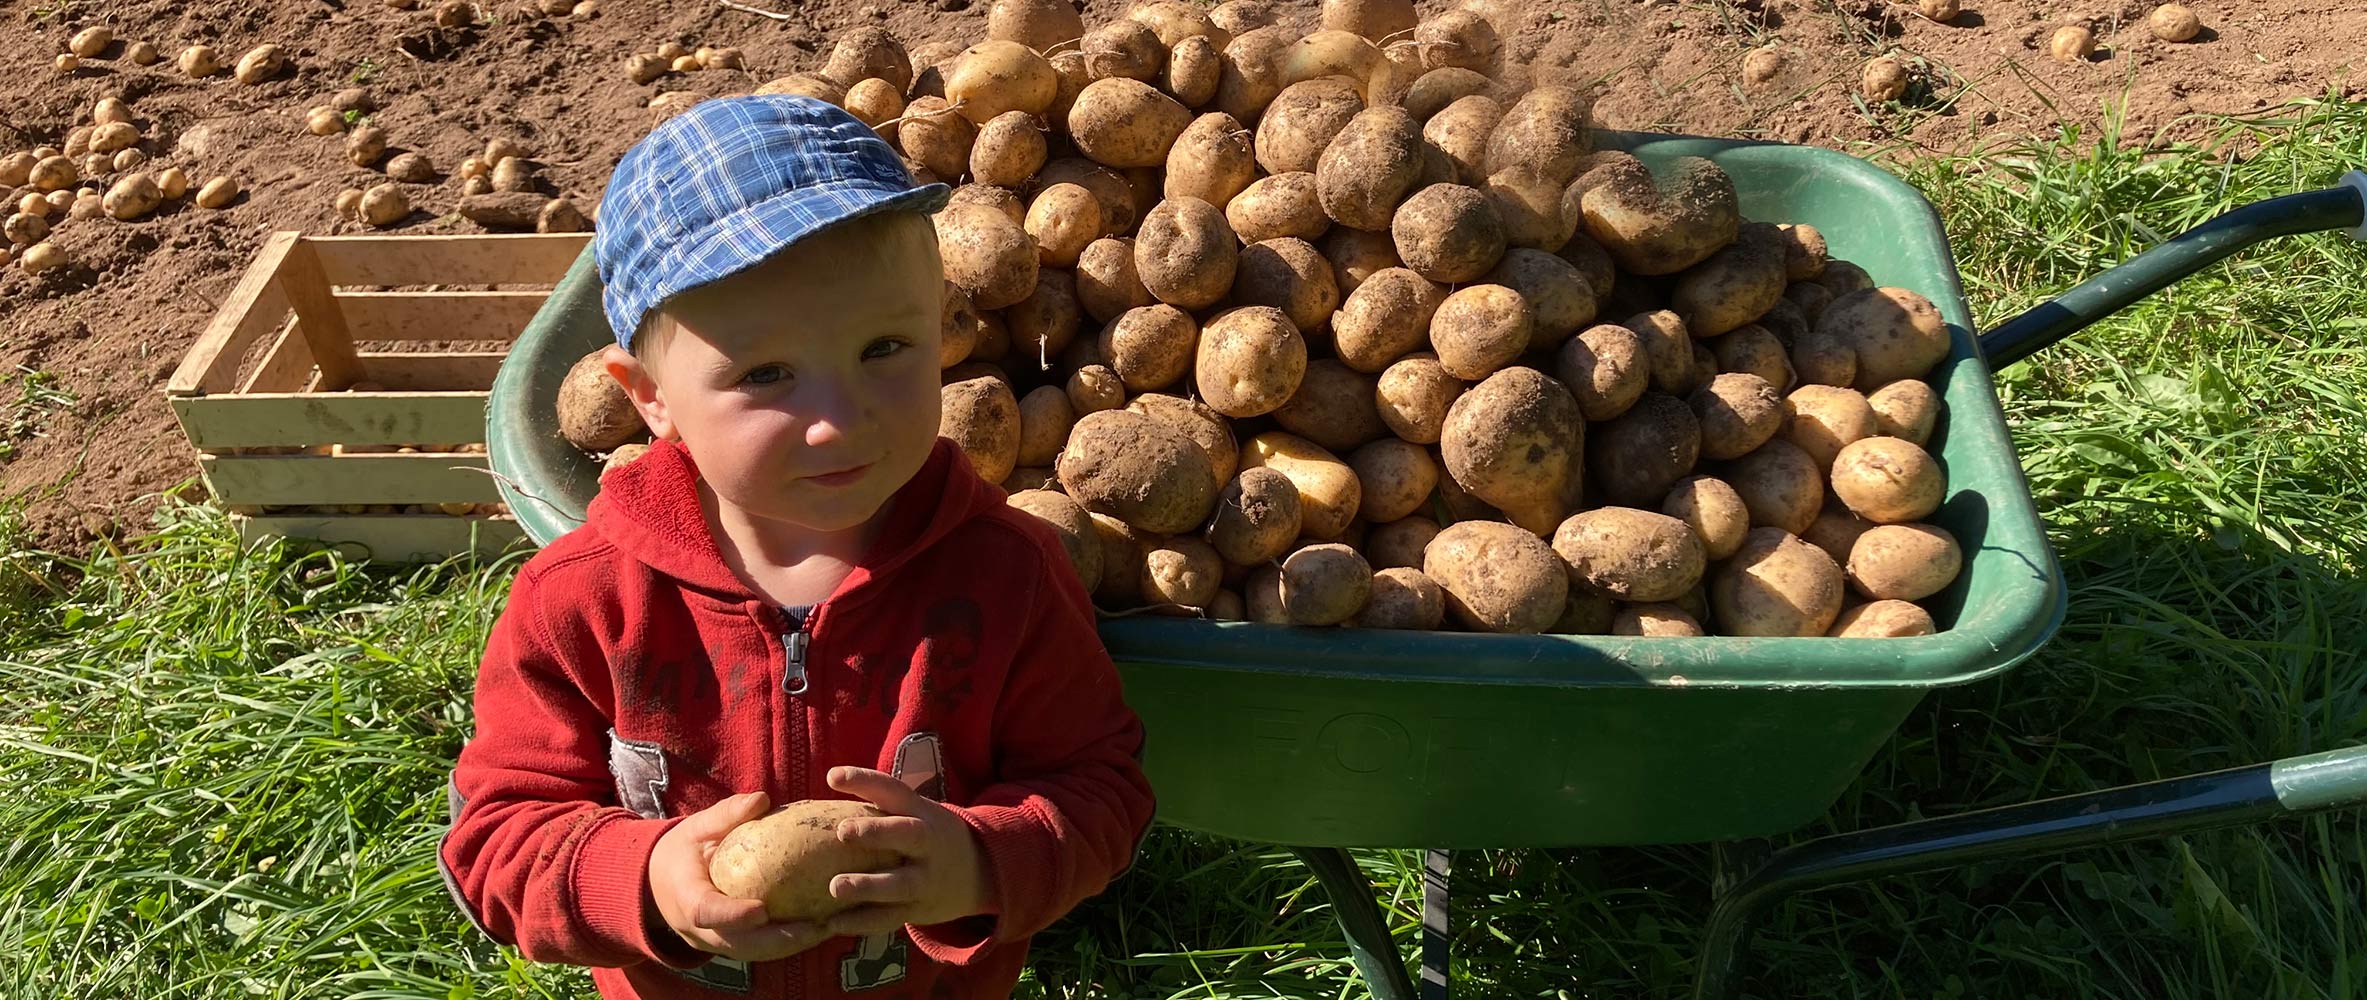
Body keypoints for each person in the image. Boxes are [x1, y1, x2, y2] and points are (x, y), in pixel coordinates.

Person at [436, 94, 1156, 999]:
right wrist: (647, 883)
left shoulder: (1008, 576)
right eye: (766, 374)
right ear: (648, 396)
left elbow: (1099, 791)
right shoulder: (579, 601)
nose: (839, 420)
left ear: (941, 332)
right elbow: (497, 839)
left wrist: (977, 864)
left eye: (885, 347)